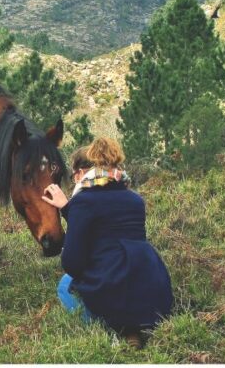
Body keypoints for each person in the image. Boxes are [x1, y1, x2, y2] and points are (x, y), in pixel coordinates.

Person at [42, 138, 173, 348]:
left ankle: (110, 331)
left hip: (112, 281)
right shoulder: (135, 200)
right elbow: (108, 228)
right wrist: (69, 210)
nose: (74, 180)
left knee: (65, 285)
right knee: (117, 276)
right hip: (150, 281)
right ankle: (133, 327)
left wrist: (72, 209)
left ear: (82, 172)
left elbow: (73, 264)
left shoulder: (83, 202)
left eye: (74, 174)